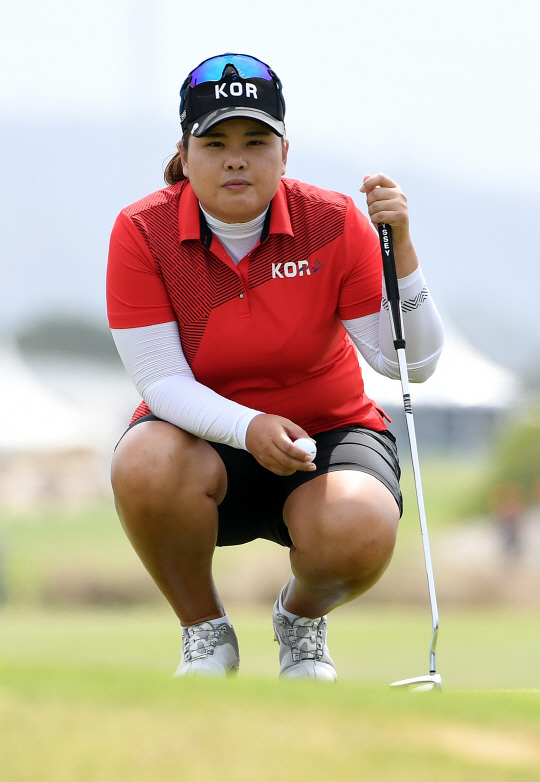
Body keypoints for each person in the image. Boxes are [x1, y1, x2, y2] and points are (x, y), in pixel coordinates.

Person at [107, 53, 444, 681]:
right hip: (201, 444)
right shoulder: (141, 231)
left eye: (256, 141)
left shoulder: (334, 220)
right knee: (142, 461)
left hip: (328, 437)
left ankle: (300, 623)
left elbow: (413, 364)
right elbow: (160, 381)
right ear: (185, 152)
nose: (237, 158)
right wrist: (250, 427)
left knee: (361, 523)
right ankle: (206, 635)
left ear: (284, 153)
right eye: (216, 142)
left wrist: (403, 248)